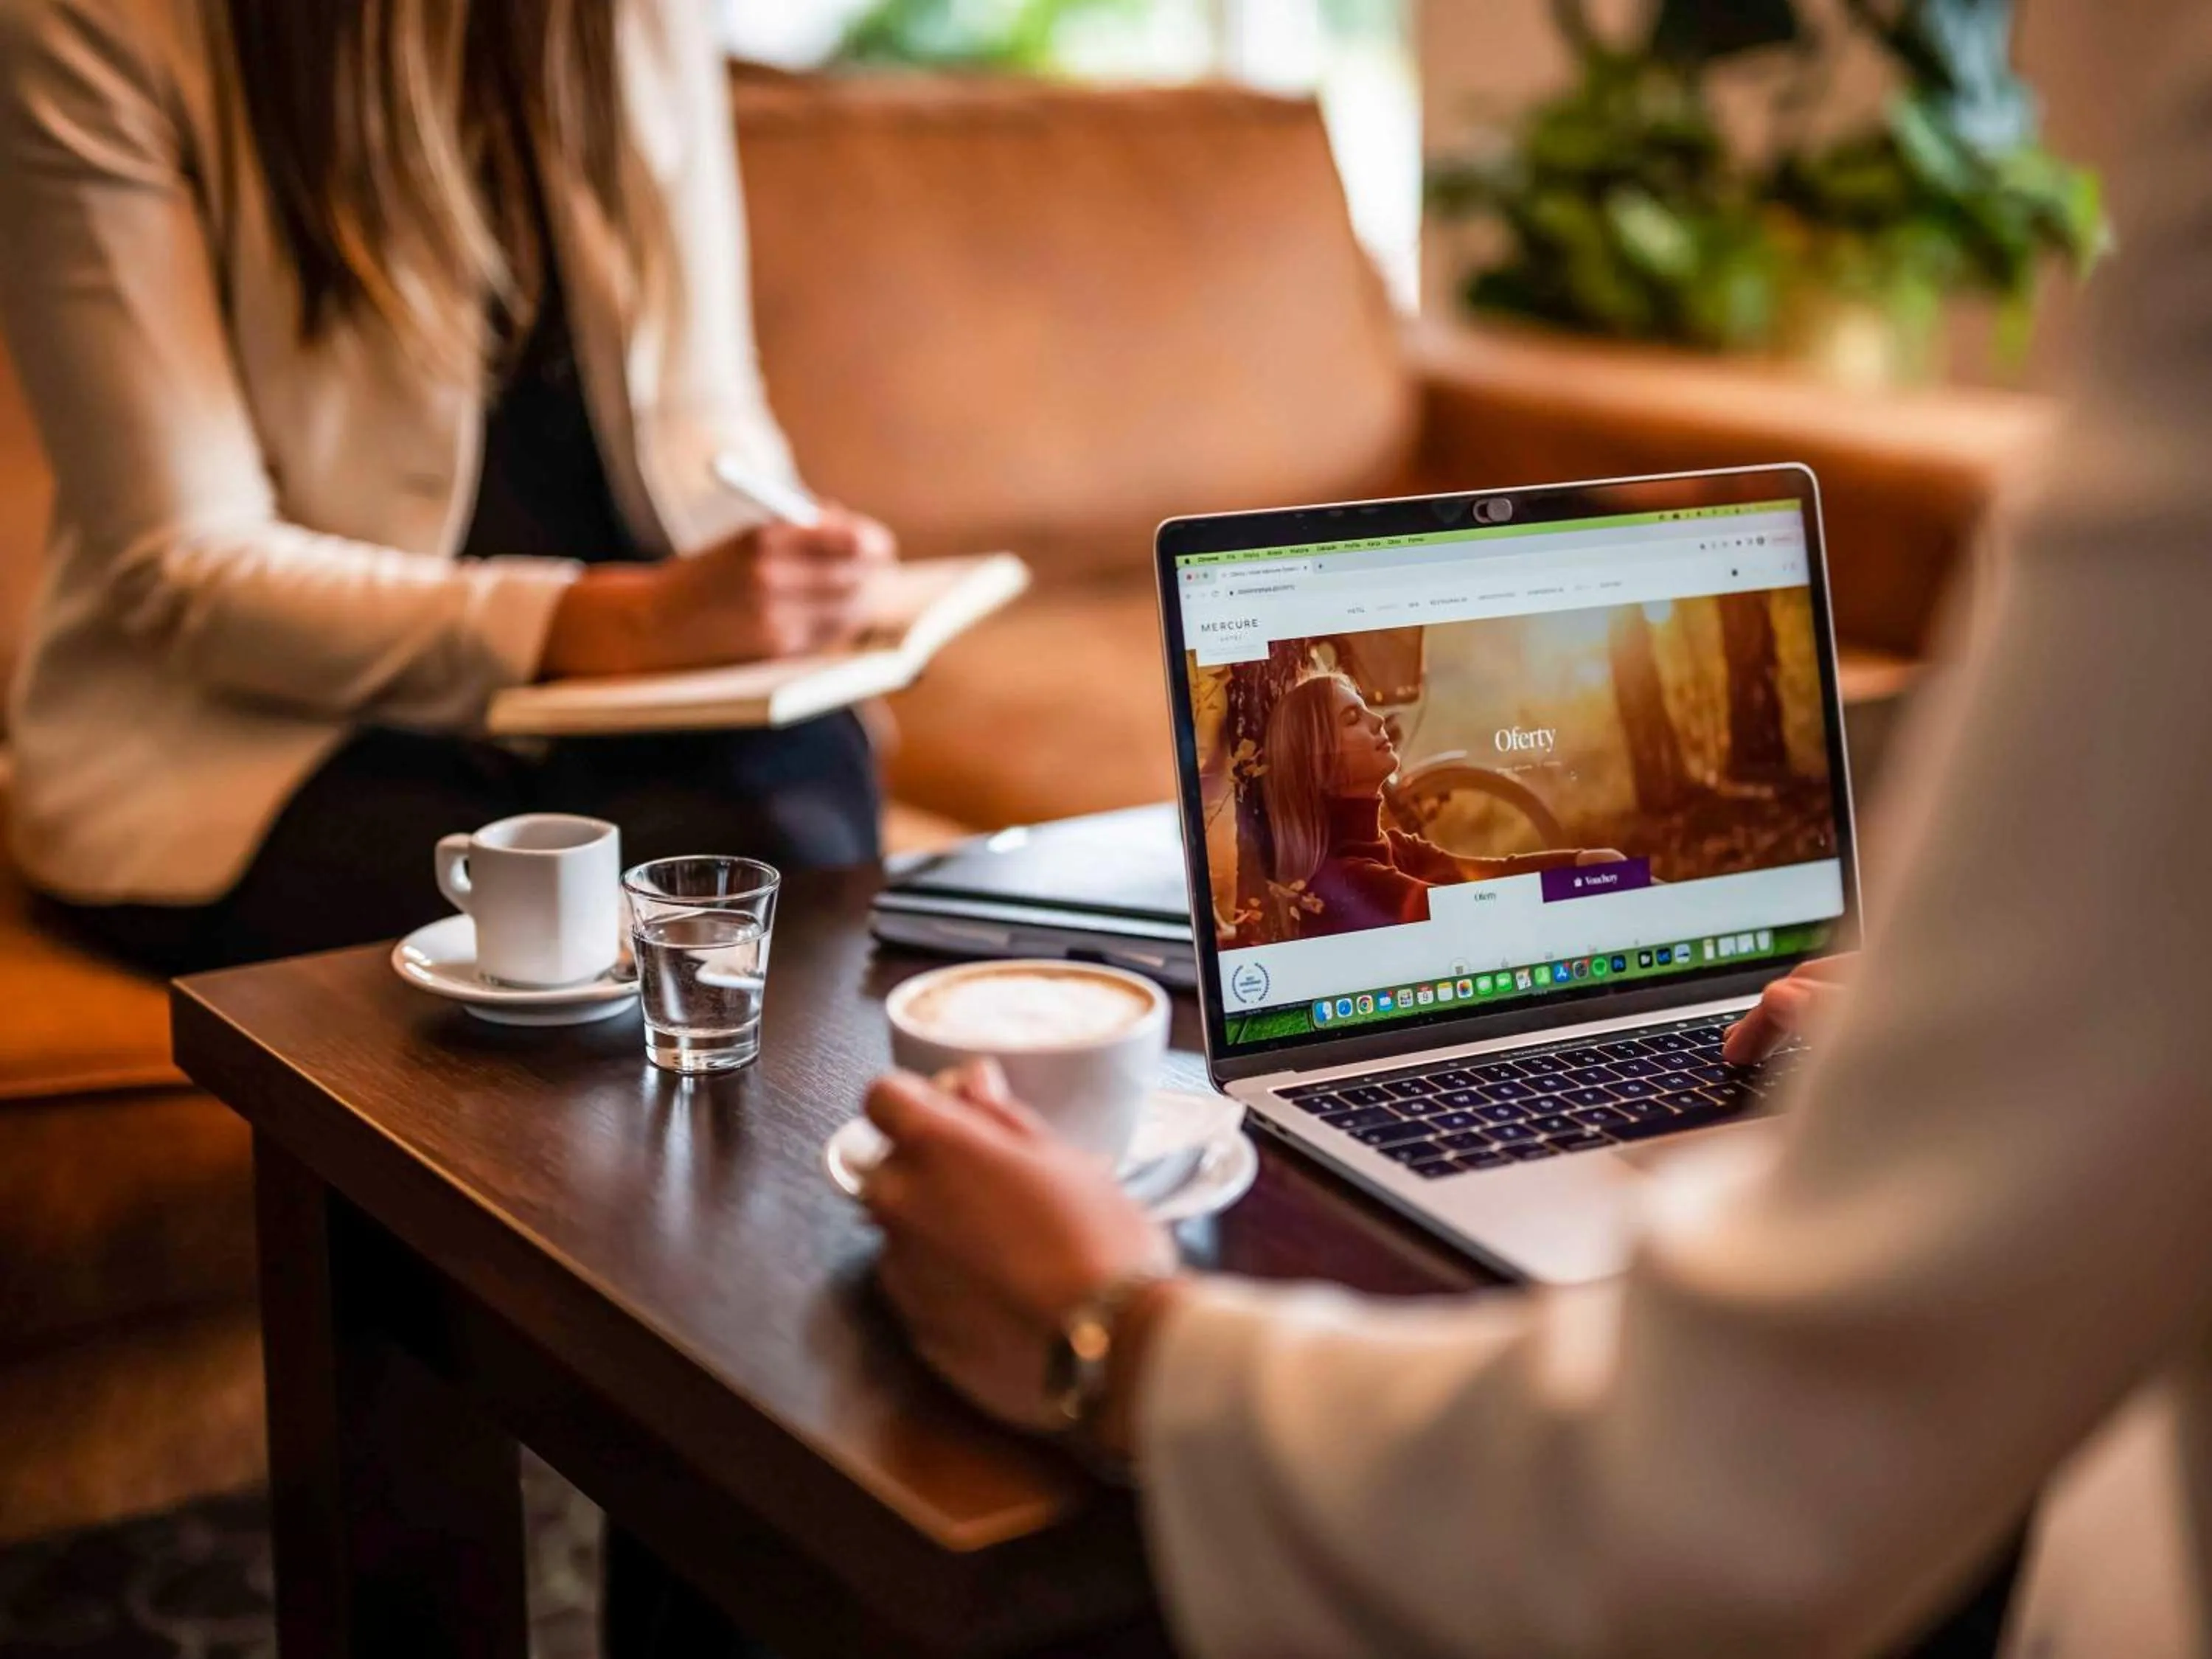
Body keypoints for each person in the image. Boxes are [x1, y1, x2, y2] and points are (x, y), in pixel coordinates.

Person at [857, 35, 2212, 1653]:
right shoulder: (1316, 869)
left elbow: (1742, 1494)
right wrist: (1986, 1068)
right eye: (1359, 712)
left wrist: (1112, 1334)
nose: (1384, 727)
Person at [0, 0, 892, 981]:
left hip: (629, 697)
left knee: (789, 849)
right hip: (265, 746)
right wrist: (631, 623)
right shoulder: (87, 25)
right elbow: (187, 564)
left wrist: (789, 572)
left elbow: (702, 399)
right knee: (573, 943)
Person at [1259, 674, 1624, 939]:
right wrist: (1586, 882)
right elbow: (1476, 910)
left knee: (1612, 872)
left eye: (1367, 709)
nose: (1378, 720)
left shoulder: (1398, 847)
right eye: (1353, 719)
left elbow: (1491, 876)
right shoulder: (1347, 878)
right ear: (1318, 764)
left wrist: (1583, 864)